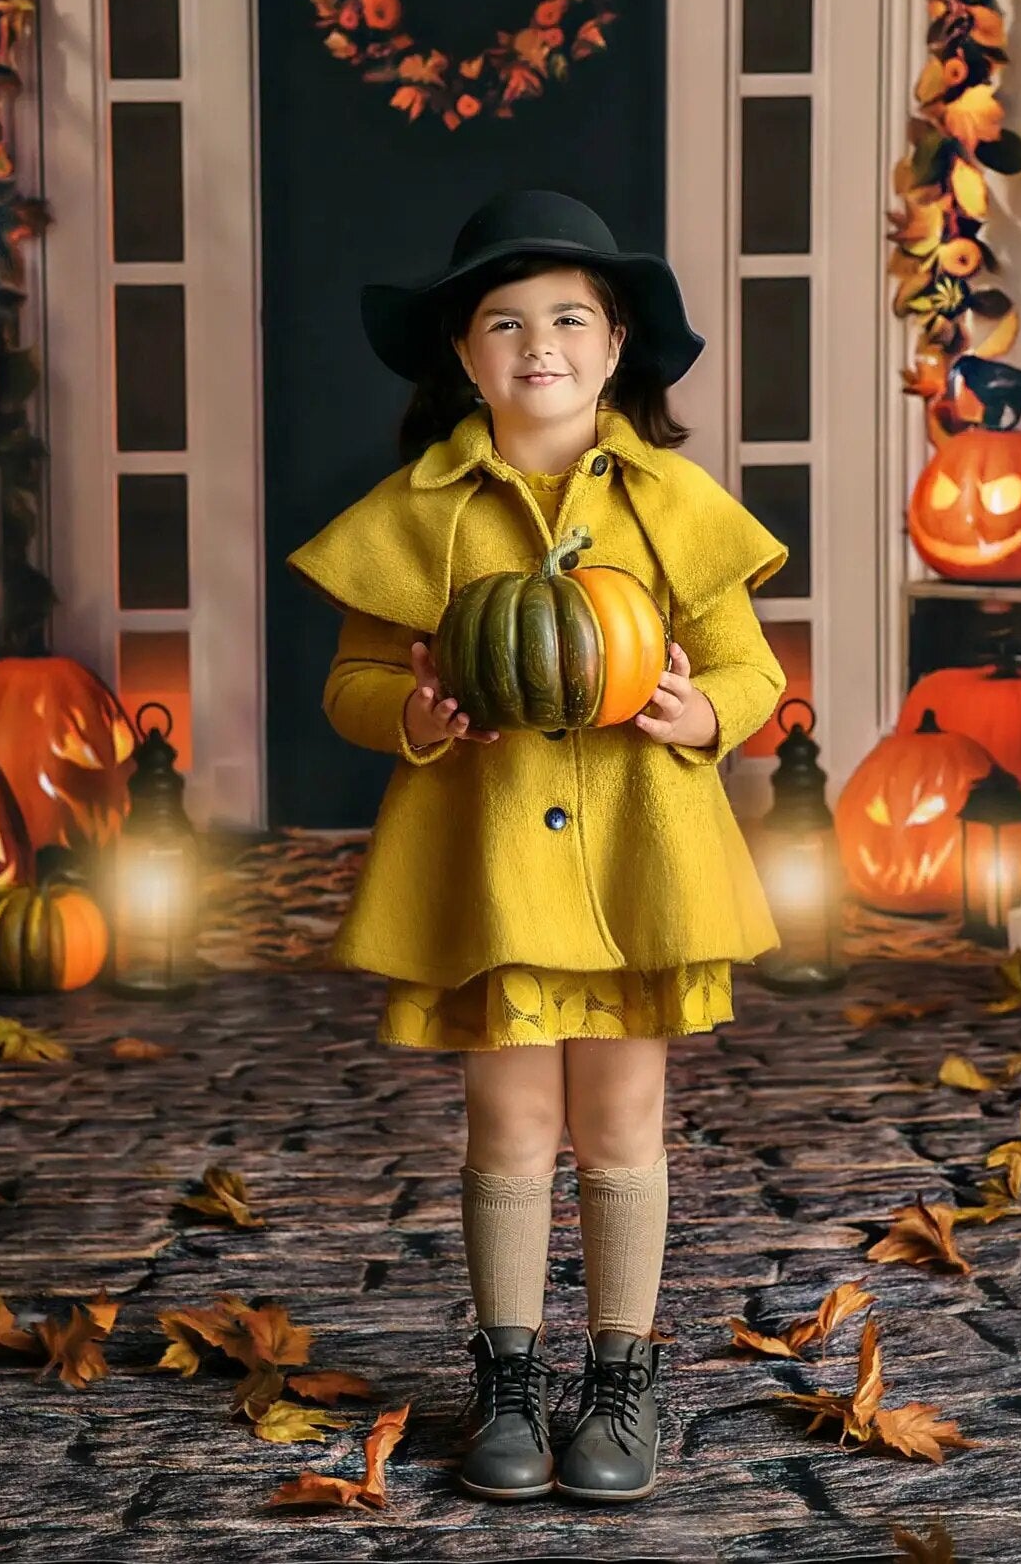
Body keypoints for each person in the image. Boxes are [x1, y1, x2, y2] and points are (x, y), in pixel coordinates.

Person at [284, 188, 789, 1504]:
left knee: (621, 1128)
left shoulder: (674, 504)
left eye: (570, 317)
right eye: (505, 324)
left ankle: (620, 1379)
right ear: (464, 355)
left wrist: (705, 709)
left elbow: (749, 671)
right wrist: (410, 710)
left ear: (618, 343)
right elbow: (346, 685)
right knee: (508, 1128)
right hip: (492, 871)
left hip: (640, 871)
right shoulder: (419, 513)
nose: (539, 345)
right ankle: (508, 1375)